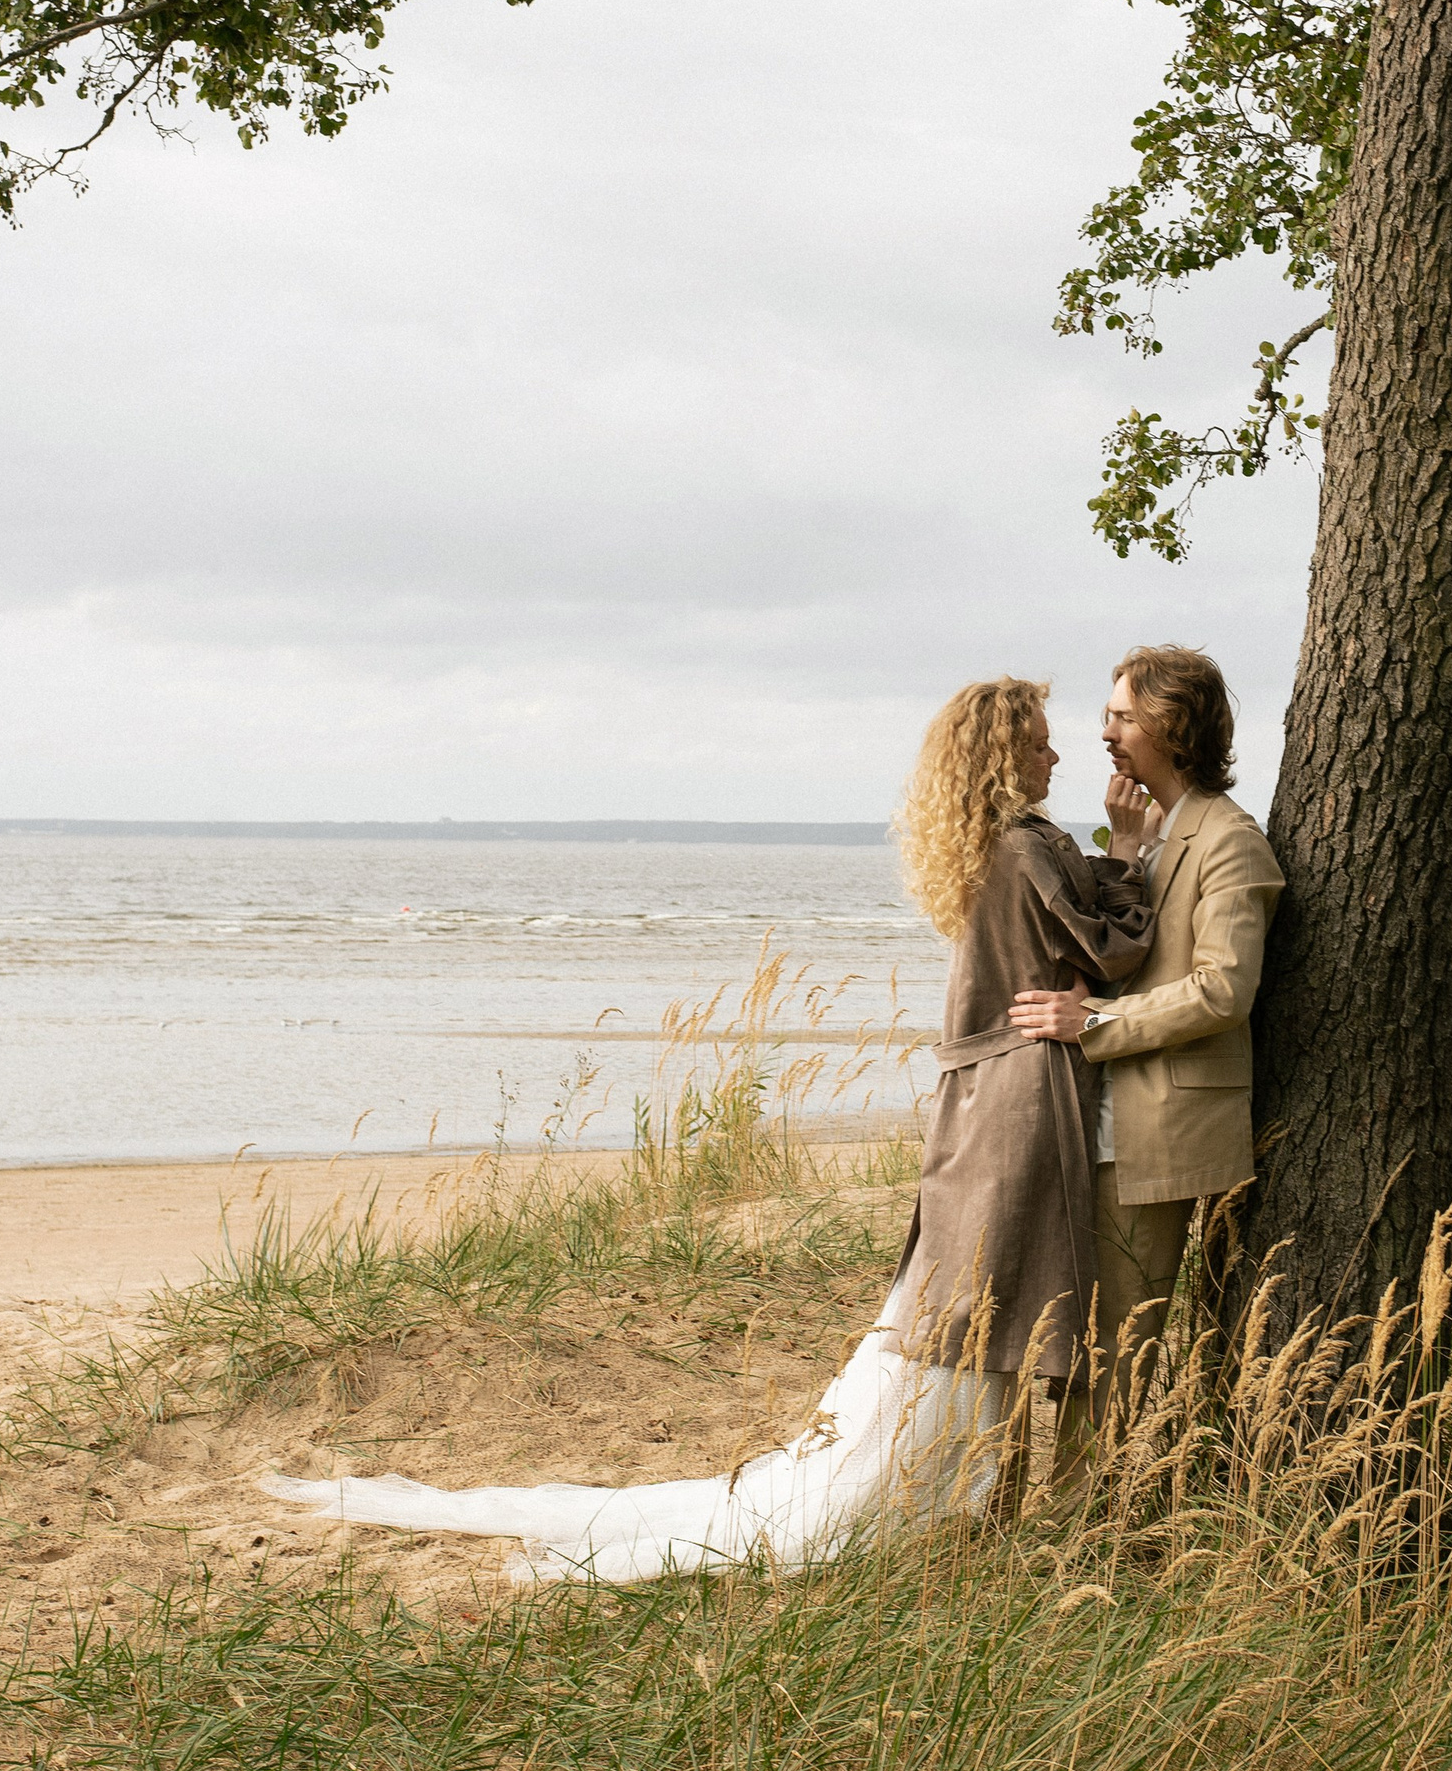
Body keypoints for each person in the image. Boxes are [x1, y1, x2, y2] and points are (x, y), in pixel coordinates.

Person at [263, 678, 1152, 1583]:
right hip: (1015, 1100)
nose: (1056, 756)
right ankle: (941, 1491)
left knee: (963, 1301)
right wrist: (1129, 847)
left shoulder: (990, 846)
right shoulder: (1023, 847)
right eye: (1039, 741)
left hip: (989, 1097)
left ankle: (964, 1489)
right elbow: (1116, 949)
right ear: (1003, 756)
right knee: (976, 1301)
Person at [1010, 644, 1284, 1417]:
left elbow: (1221, 991)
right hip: (1094, 1117)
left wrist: (1087, 1021)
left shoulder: (1230, 841)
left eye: (1124, 717)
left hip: (1159, 1128)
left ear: (1173, 724)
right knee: (1080, 1338)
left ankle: (1089, 1521)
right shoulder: (1144, 829)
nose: (1105, 733)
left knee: (1119, 1345)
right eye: (1107, 716)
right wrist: (1121, 851)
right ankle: (1073, 1513)